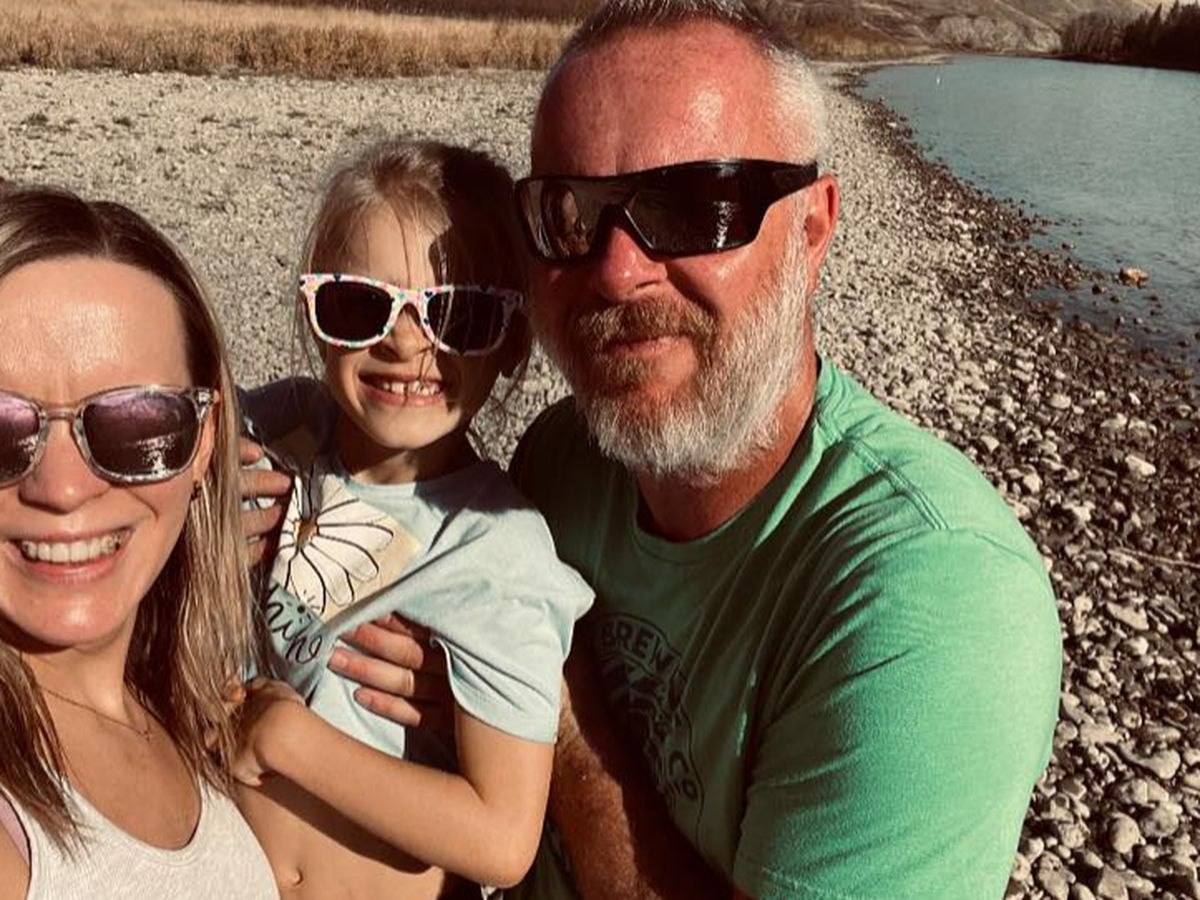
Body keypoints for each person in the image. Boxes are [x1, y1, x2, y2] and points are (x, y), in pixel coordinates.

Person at [244, 4, 1062, 898]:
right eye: (569, 214)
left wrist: (554, 712)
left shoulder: (931, 601)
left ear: (813, 227)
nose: (617, 270)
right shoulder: (568, 457)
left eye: (692, 206)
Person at [231, 137, 593, 900]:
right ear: (314, 316)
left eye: (458, 315)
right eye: (359, 306)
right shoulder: (285, 426)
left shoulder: (494, 550)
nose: (403, 343)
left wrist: (287, 738)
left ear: (511, 344)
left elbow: (500, 839)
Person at [0, 184, 277, 899]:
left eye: (137, 425)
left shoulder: (191, 709)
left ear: (204, 441)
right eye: (3, 429)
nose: (63, 489)